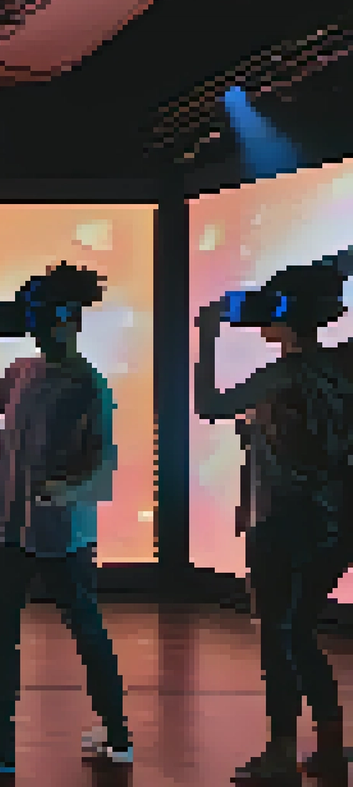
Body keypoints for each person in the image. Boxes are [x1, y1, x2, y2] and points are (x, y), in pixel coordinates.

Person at [0, 262, 132, 775]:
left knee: (84, 628)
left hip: (63, 534)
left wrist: (64, 490)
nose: (36, 327)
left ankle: (117, 732)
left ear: (67, 320)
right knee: (1, 633)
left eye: (42, 317)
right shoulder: (25, 370)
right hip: (8, 527)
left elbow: (102, 462)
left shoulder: (90, 386)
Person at [195, 250, 353, 784]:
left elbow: (210, 405)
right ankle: (331, 746)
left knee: (278, 637)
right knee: (303, 631)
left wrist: (209, 335)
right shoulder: (343, 365)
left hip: (282, 523)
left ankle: (282, 753)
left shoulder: (285, 374)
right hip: (336, 524)